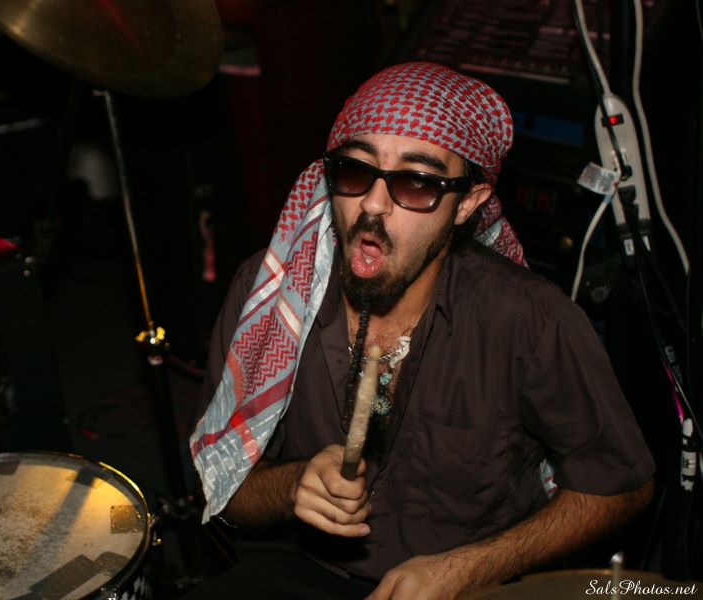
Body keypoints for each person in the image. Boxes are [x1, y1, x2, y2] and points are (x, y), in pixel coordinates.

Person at [187, 62, 654, 600]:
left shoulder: (529, 319)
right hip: (304, 568)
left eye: (416, 181)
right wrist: (292, 486)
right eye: (355, 170)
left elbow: (622, 486)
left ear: (468, 203)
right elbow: (222, 488)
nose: (373, 204)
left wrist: (467, 569)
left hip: (474, 583)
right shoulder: (270, 295)